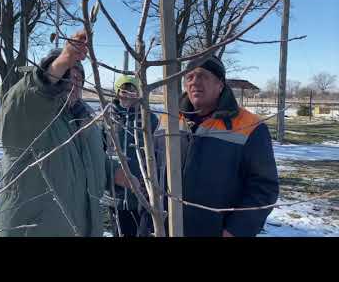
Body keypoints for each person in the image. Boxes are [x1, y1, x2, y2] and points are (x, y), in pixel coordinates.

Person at [0, 31, 139, 237]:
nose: (74, 83)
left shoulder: (84, 122)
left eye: (79, 78)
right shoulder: (30, 117)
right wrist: (62, 62)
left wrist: (114, 172)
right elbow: (30, 96)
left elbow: (87, 162)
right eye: (66, 76)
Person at [168, 54, 279, 237]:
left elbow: (264, 187)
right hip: (166, 228)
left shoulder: (250, 127)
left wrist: (237, 229)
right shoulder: (168, 119)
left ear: (220, 84)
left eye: (203, 75)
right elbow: (152, 170)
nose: (194, 82)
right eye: (189, 77)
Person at [108, 74, 164, 237]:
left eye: (132, 89)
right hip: (115, 193)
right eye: (123, 89)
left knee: (138, 231)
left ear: (138, 93)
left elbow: (157, 152)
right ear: (117, 92)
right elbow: (102, 148)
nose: (127, 93)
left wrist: (147, 178)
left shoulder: (149, 119)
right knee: (118, 231)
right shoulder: (108, 118)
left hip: (140, 192)